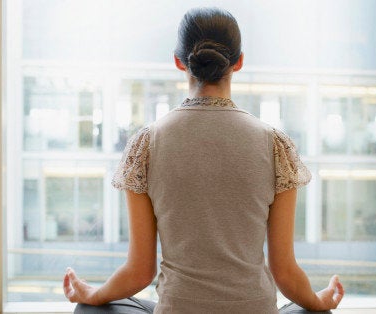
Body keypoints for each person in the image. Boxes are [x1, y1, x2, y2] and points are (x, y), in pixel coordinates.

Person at [63, 7, 344, 314]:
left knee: (92, 310)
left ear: (178, 61)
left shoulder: (146, 145)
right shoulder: (275, 145)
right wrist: (320, 302)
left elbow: (140, 272)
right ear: (238, 62)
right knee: (315, 311)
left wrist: (92, 295)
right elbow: (285, 273)